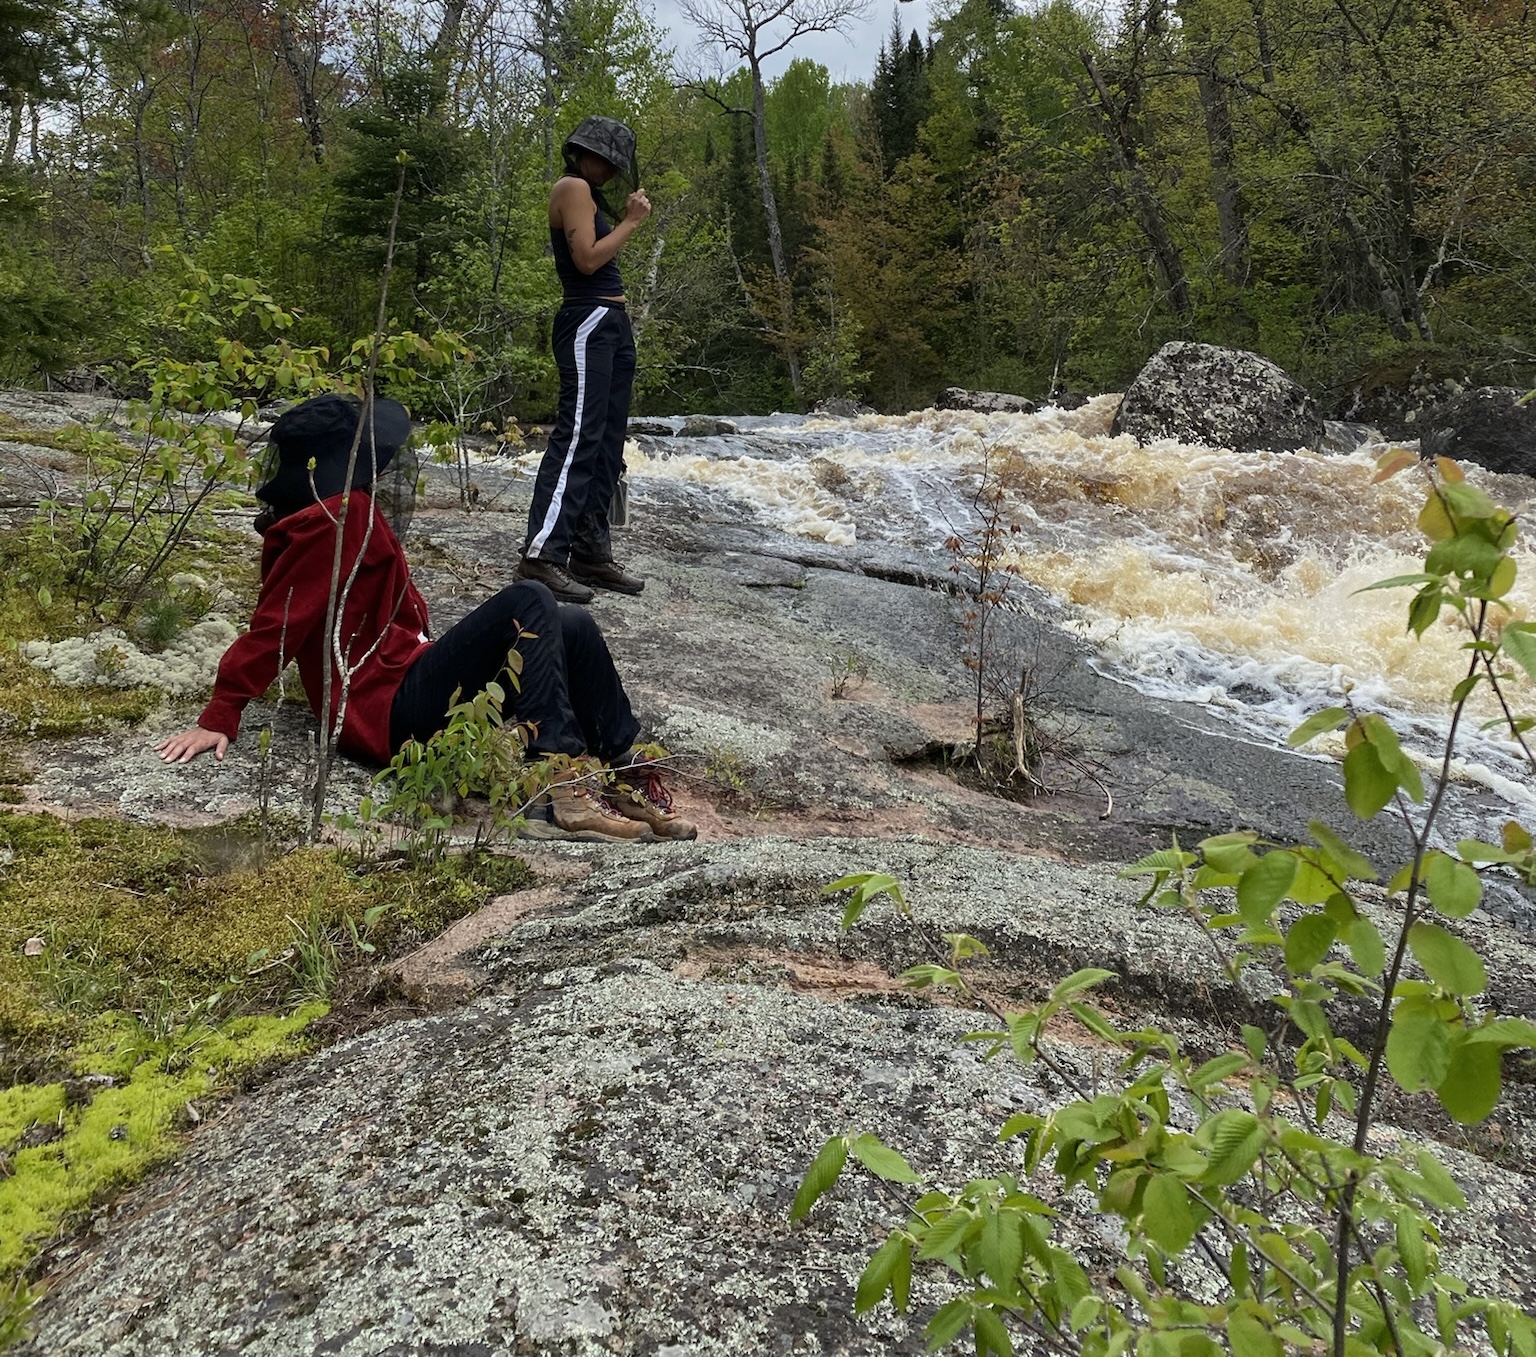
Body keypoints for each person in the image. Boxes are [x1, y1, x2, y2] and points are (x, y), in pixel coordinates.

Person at [154, 392, 695, 843]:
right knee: (529, 599)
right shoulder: (335, 519)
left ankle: (625, 773)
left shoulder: (346, 508)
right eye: (368, 454)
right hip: (382, 709)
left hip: (405, 682)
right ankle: (552, 792)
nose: (384, 463)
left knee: (570, 622)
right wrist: (220, 712)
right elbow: (281, 621)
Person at [517, 115, 650, 606]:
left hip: (611, 323)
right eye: (607, 162)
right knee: (578, 437)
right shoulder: (572, 186)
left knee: (608, 443)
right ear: (585, 153)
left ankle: (590, 551)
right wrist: (633, 221)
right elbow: (588, 260)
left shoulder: (589, 194)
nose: (611, 173)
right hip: (588, 319)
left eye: (616, 166)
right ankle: (541, 554)